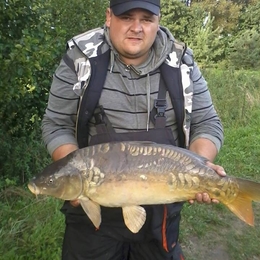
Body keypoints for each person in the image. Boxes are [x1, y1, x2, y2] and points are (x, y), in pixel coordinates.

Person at [42, 0, 225, 259]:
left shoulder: (181, 63)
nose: (136, 28)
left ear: (158, 21)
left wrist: (201, 166)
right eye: (127, 17)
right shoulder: (80, 59)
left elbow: (207, 123)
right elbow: (56, 124)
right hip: (92, 212)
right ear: (108, 17)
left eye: (147, 19)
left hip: (162, 204)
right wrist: (76, 177)